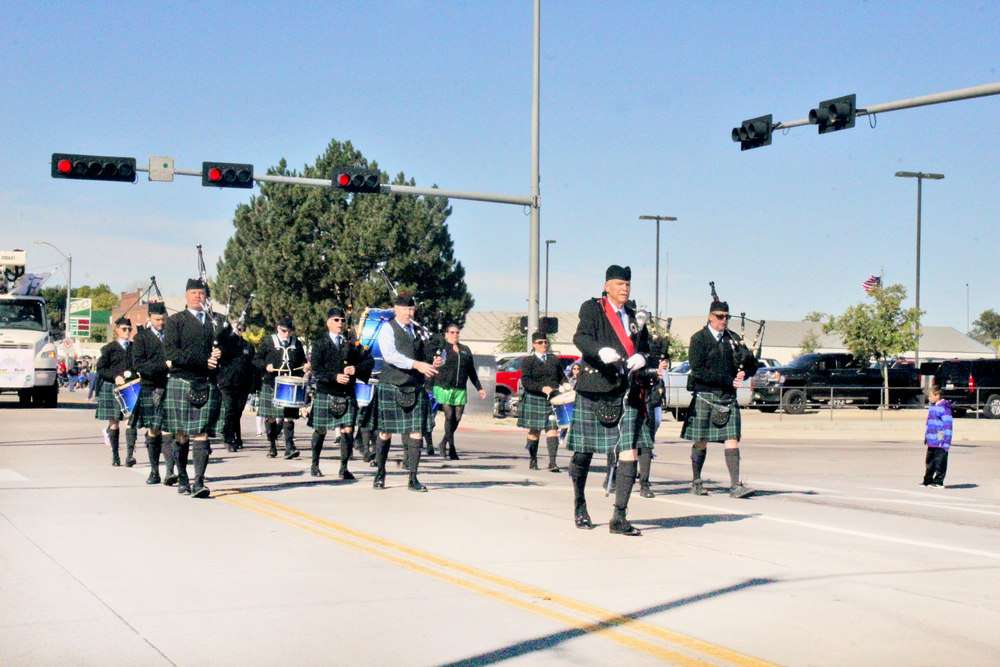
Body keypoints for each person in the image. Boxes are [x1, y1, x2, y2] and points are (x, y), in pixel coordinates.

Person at [566, 265, 652, 536]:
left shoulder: (635, 315)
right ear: (607, 286)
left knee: (629, 451)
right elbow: (580, 337)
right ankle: (580, 504)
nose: (624, 289)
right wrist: (599, 350)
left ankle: (619, 517)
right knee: (583, 452)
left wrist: (643, 357)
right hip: (595, 388)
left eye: (627, 284)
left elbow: (647, 347)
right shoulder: (592, 309)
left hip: (626, 392)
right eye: (619, 284)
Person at [681, 298, 759, 498]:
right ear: (710, 316)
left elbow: (752, 363)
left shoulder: (733, 339)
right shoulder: (699, 339)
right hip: (706, 395)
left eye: (726, 317)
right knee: (701, 440)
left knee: (732, 439)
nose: (723, 320)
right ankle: (696, 481)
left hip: (727, 396)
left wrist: (745, 373)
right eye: (719, 316)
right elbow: (698, 371)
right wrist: (727, 380)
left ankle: (735, 486)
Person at [163, 278, 226, 498]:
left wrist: (221, 353)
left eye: (201, 293)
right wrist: (203, 360)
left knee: (201, 434)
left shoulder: (215, 322)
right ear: (186, 296)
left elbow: (228, 350)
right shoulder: (175, 321)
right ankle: (182, 477)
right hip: (182, 381)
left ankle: (199, 481)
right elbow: (171, 353)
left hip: (206, 383)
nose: (197, 296)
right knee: (181, 435)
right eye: (193, 293)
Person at [372, 294, 443, 491]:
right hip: (392, 385)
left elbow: (436, 351)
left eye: (411, 309)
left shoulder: (419, 331)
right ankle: (380, 473)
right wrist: (417, 364)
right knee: (385, 432)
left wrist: (438, 359)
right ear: (396, 308)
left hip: (415, 386)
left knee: (416, 432)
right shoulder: (387, 328)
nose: (408, 313)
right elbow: (390, 355)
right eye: (404, 309)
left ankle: (413, 478)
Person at [310, 307, 374, 479]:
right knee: (321, 430)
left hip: (347, 393)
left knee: (347, 430)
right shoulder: (320, 343)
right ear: (328, 322)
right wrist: (334, 377)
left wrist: (356, 369)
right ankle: (314, 464)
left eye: (342, 320)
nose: (340, 323)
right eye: (336, 320)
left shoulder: (352, 344)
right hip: (326, 391)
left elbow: (369, 362)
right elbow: (316, 369)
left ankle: (344, 468)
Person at [255, 316, 308, 460]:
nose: (287, 334)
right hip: (271, 383)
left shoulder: (297, 343)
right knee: (271, 418)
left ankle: (290, 447)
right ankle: (272, 446)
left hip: (289, 385)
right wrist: (266, 366)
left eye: (289, 332)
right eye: (284, 331)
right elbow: (256, 360)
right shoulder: (267, 341)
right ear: (278, 329)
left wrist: (305, 365)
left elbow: (302, 360)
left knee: (288, 417)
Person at [432, 324, 487, 460]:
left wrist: (479, 388)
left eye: (457, 332)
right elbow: (433, 362)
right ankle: (452, 448)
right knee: (449, 417)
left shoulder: (465, 350)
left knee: (457, 418)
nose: (455, 335)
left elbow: (471, 370)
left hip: (460, 388)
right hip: (444, 386)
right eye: (452, 332)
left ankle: (444, 441)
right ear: (446, 334)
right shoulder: (442, 349)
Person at [131, 302, 170, 484]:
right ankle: (154, 471)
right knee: (153, 430)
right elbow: (139, 365)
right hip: (151, 386)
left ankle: (170, 471)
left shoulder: (172, 336)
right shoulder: (142, 338)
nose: (161, 322)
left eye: (163, 319)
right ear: (149, 319)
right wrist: (163, 366)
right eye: (157, 319)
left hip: (171, 385)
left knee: (171, 429)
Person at [95, 316, 139, 467]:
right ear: (117, 330)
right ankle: (115, 455)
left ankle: (130, 456)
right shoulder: (109, 348)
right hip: (112, 387)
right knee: (114, 424)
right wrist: (115, 377)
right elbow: (100, 369)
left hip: (130, 387)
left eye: (129, 329)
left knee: (130, 423)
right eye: (124, 329)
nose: (127, 331)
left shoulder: (135, 347)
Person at [517, 332, 564, 472]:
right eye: (540, 342)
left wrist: (566, 384)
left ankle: (552, 462)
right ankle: (533, 459)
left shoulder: (553, 359)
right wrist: (542, 388)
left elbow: (561, 376)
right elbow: (526, 381)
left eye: (545, 342)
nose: (543, 345)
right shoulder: (528, 361)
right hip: (535, 398)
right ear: (534, 345)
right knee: (534, 431)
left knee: (553, 429)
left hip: (552, 399)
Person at [218, 321, 256, 453]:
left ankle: (236, 437)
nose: (237, 331)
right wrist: (230, 337)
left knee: (238, 412)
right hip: (227, 383)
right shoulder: (226, 345)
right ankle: (228, 439)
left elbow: (253, 366)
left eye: (240, 329)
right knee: (230, 410)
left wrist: (253, 385)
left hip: (243, 384)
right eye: (235, 329)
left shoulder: (248, 346)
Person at [922, 385, 953, 487]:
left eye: (931, 396)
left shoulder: (944, 408)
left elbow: (947, 426)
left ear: (937, 396)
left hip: (940, 436)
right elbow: (929, 423)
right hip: (931, 438)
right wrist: (927, 436)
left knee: (940, 461)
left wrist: (945, 442)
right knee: (929, 461)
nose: (929, 398)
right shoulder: (933, 407)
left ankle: (938, 481)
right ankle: (928, 480)